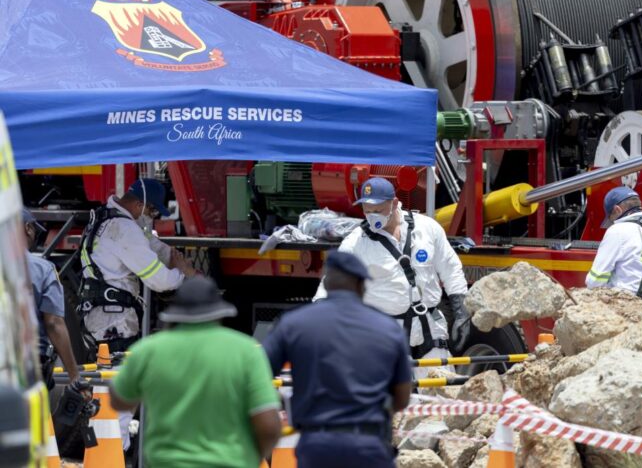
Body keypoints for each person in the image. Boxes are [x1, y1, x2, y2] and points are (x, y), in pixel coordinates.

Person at [110, 276, 281, 468]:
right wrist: (250, 458)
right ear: (219, 314)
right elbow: (269, 425)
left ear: (175, 314)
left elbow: (119, 399)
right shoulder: (247, 351)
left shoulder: (148, 350)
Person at [263, 251, 412, 468]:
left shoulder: (294, 323)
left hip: (317, 446)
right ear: (361, 285)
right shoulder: (388, 328)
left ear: (328, 281)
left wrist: (286, 403)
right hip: (369, 446)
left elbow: (257, 374)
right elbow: (402, 398)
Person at [314, 177, 471, 364]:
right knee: (387, 393)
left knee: (436, 391)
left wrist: (461, 309)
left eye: (378, 210)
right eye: (367, 211)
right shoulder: (357, 242)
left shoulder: (426, 228)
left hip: (429, 329)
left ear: (394, 203)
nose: (372, 217)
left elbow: (450, 268)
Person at [78, 178, 195, 354]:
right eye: (152, 210)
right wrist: (182, 272)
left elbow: (150, 244)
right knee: (118, 376)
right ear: (140, 204)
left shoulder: (106, 216)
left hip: (98, 313)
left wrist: (172, 257)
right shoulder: (125, 229)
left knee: (102, 373)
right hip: (114, 321)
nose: (151, 217)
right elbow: (159, 281)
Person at [22, 208, 81, 387]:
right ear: (28, 228)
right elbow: (53, 323)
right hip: (28, 366)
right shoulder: (42, 269)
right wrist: (74, 377)